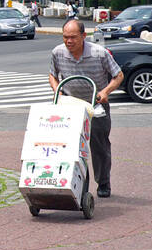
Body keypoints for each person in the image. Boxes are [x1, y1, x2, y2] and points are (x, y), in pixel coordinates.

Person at [48, 19, 124, 198]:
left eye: (73, 37)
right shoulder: (57, 52)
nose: (69, 41)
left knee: (99, 145)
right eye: (65, 37)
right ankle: (72, 182)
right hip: (70, 105)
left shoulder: (99, 53)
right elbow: (52, 75)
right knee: (68, 146)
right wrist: (57, 91)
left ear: (83, 36)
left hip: (95, 104)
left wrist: (106, 92)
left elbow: (118, 75)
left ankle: (103, 182)